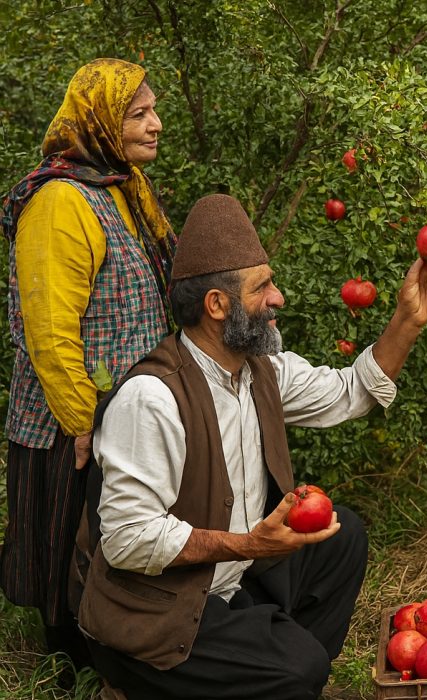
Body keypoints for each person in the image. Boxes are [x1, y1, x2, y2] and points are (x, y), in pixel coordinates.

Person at [70, 193, 427, 699]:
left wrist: (409, 319)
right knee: (301, 669)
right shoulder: (152, 398)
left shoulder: (259, 371)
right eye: (262, 287)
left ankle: (264, 672)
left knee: (343, 538)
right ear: (217, 305)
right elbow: (127, 541)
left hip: (229, 581)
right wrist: (249, 544)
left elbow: (350, 391)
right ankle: (179, 682)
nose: (278, 298)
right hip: (156, 616)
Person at [0, 58, 175, 666]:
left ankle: (109, 644)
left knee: (111, 544)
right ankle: (63, 663)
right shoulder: (60, 202)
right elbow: (48, 328)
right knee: (70, 547)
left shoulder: (121, 189)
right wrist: (82, 420)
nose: (156, 124)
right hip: (70, 419)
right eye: (139, 114)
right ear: (100, 121)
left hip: (122, 408)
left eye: (153, 111)